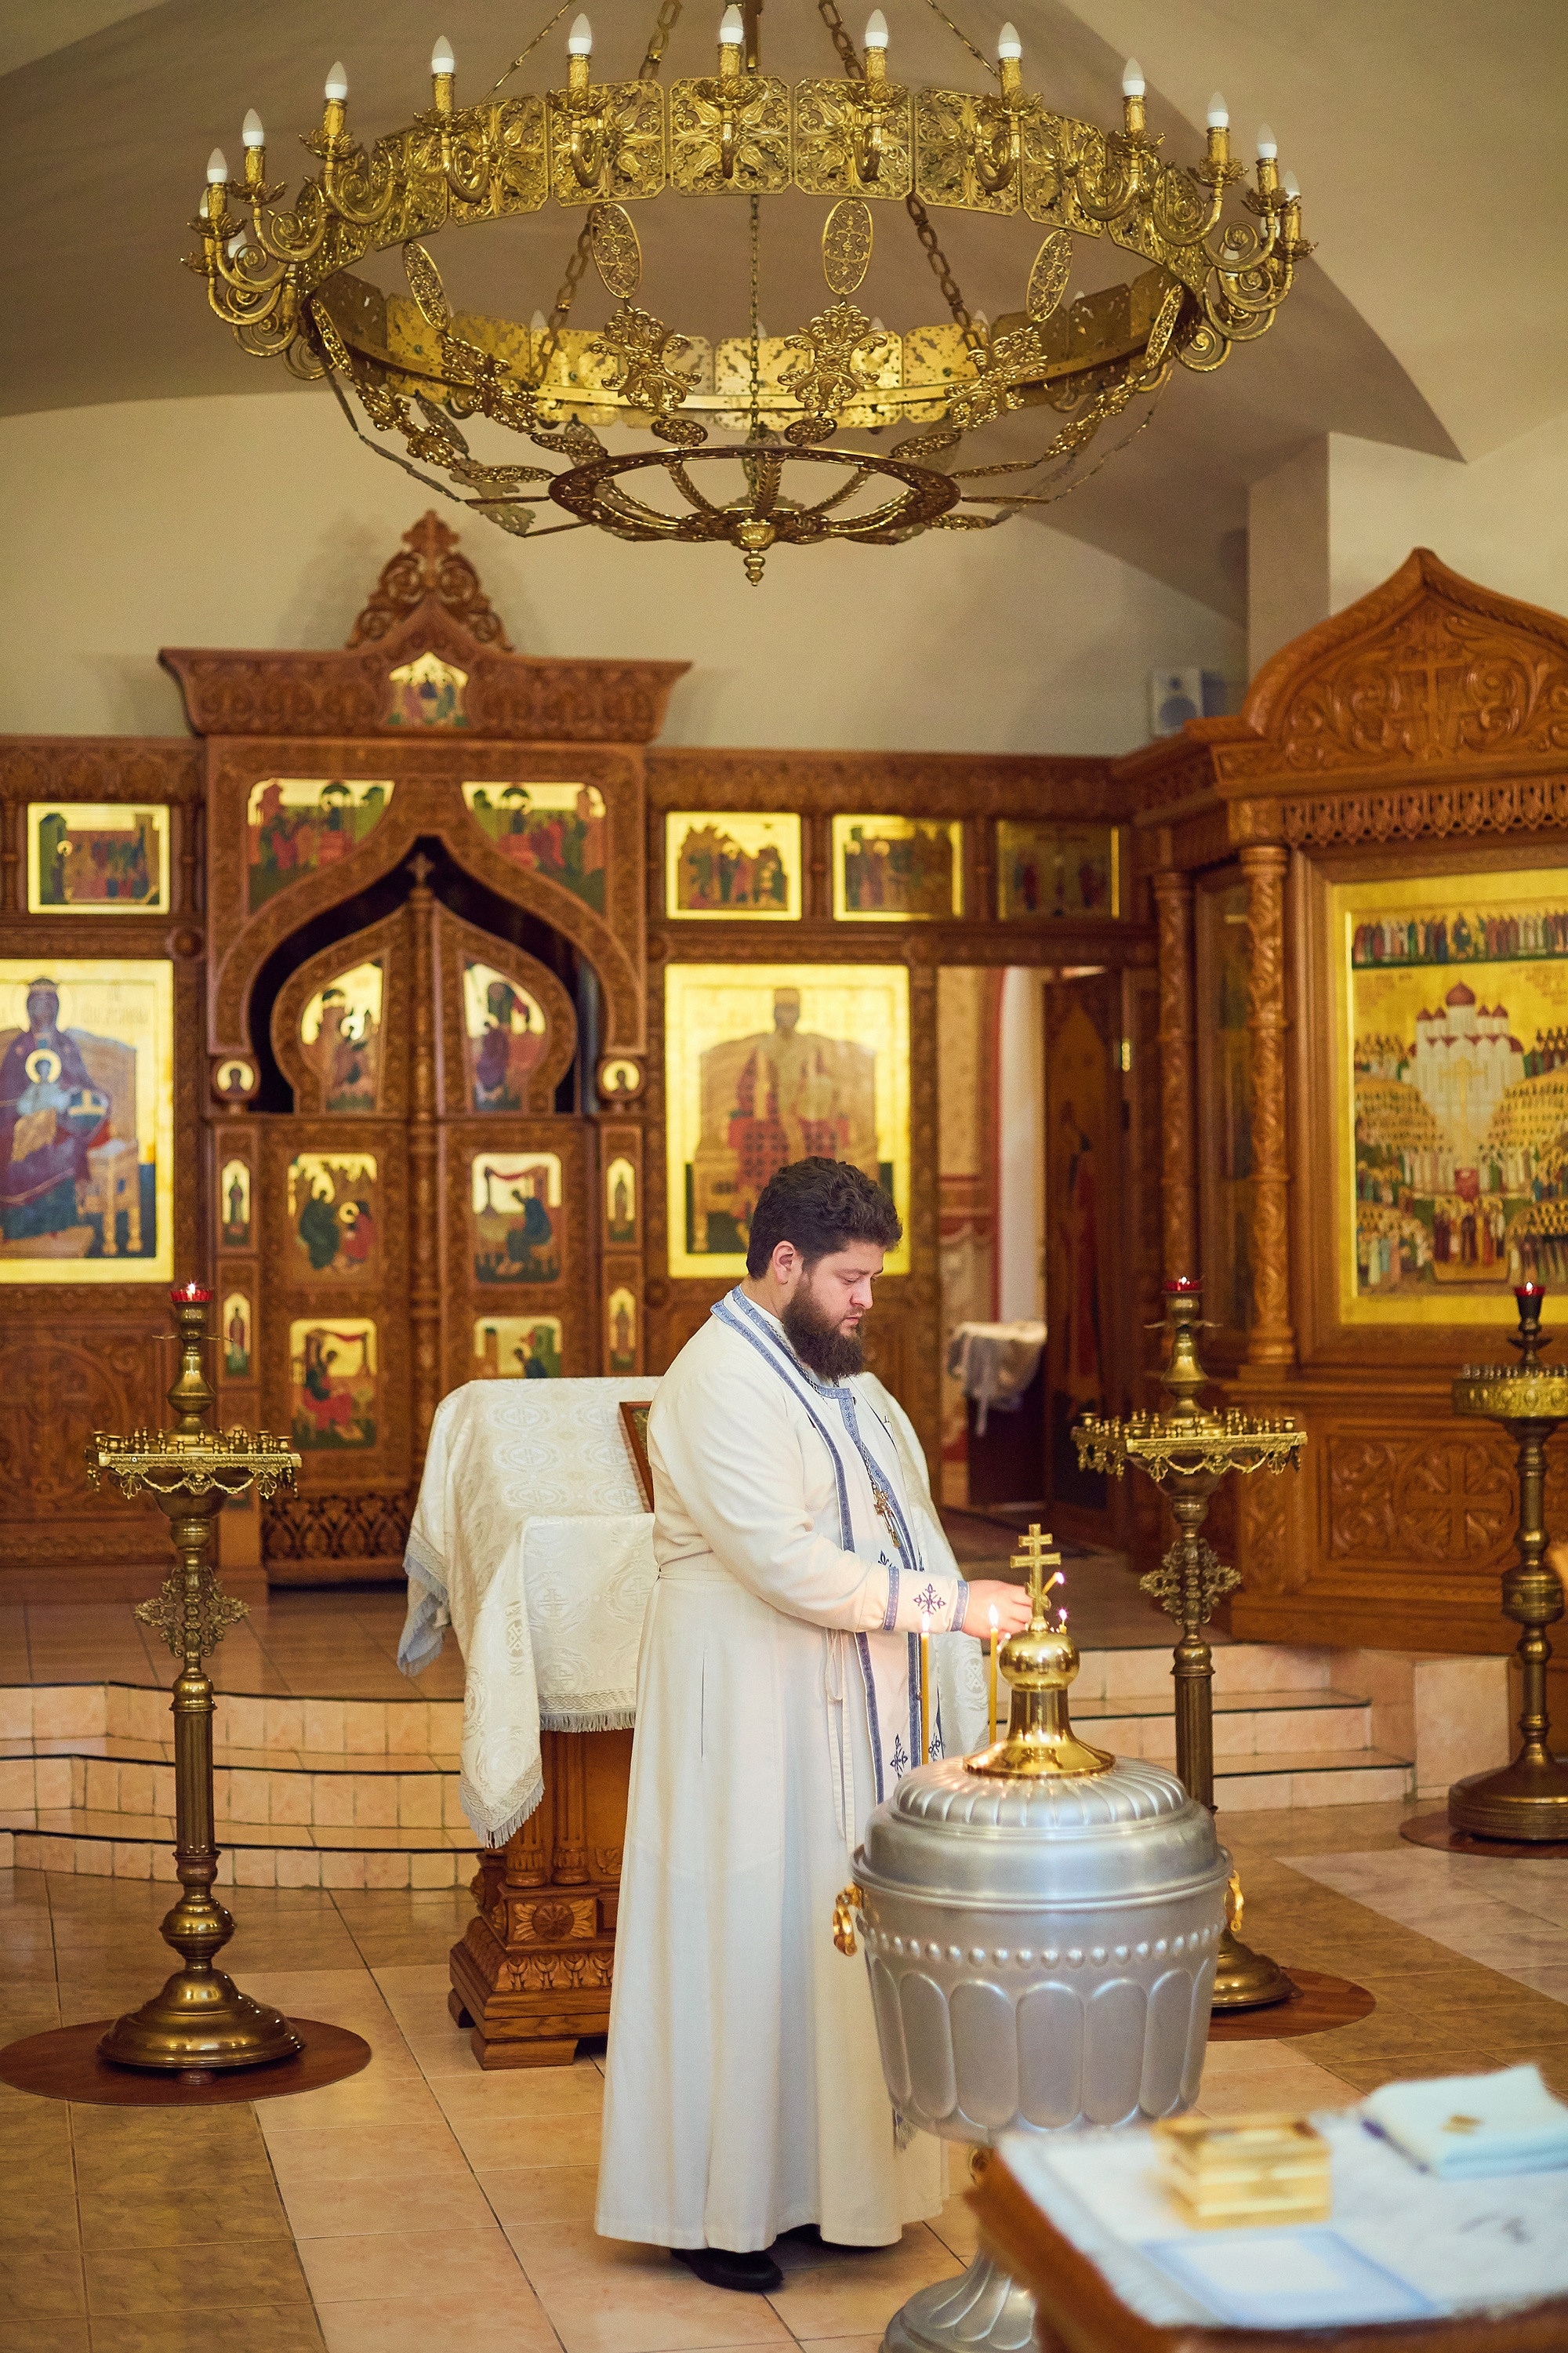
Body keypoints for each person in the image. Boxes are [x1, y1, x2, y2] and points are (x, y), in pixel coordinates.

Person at [596, 1157, 1031, 2293]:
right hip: (744, 1703)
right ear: (783, 1262)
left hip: (841, 1701)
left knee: (820, 1936)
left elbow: (904, 1515)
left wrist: (953, 1628)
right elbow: (782, 1561)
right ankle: (719, 2211)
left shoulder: (838, 1378)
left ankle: (831, 2192)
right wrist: (949, 1608)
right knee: (744, 1935)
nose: (865, 1300)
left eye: (871, 1279)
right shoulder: (719, 1378)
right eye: (849, 1278)